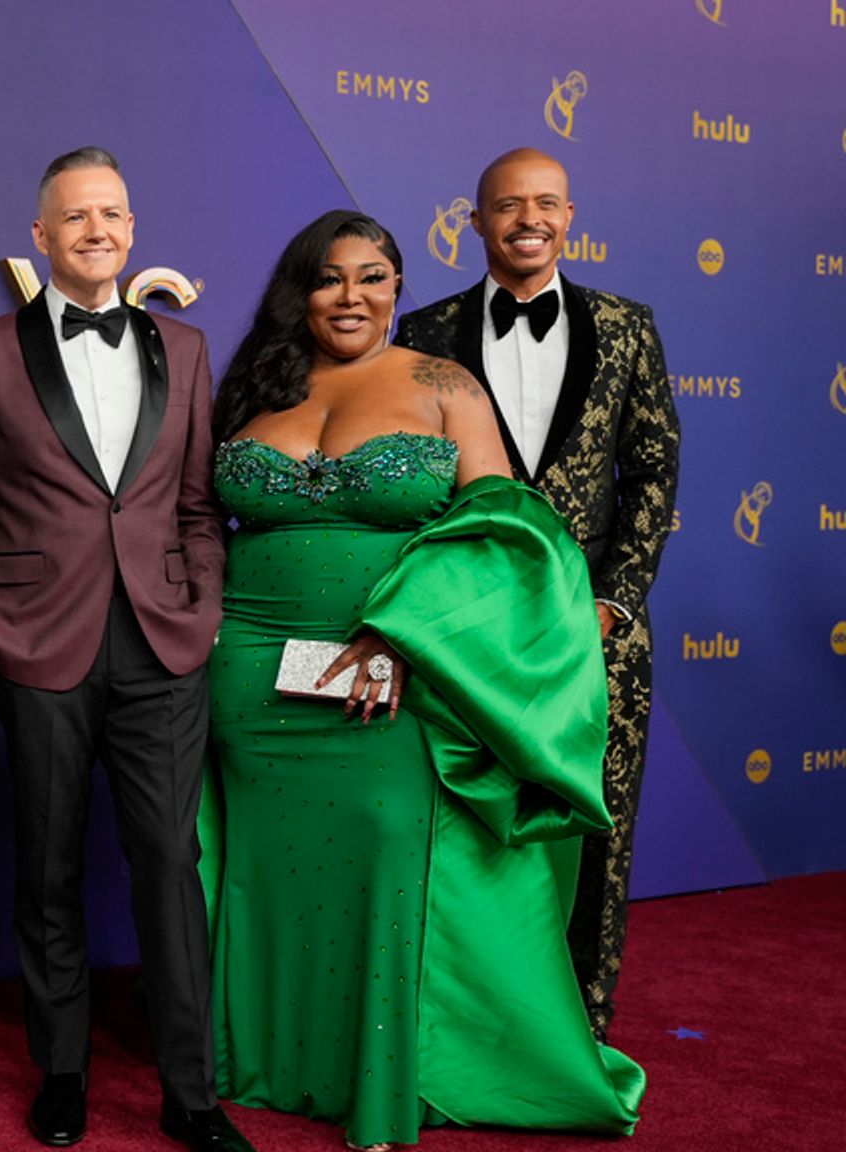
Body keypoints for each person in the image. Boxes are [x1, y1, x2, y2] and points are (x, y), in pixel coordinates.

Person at [205, 210, 645, 1150]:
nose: (353, 296)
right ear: (301, 289)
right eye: (330, 278)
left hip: (383, 676)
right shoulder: (253, 384)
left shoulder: (443, 385)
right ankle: (263, 1063)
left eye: (374, 277)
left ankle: (374, 1072)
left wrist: (406, 636)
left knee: (380, 861)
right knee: (261, 871)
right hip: (246, 671)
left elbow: (507, 530)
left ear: (399, 288)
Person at [0, 147, 249, 1152]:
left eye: (110, 214)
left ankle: (189, 1094)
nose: (94, 231)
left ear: (130, 227)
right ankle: (63, 1071)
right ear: (38, 237)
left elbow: (199, 506)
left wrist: (201, 608)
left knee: (167, 864)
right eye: (73, 217)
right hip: (35, 642)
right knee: (46, 869)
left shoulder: (188, 348)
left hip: (163, 645)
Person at [395, 148, 679, 1042]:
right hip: (468, 634)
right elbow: (413, 486)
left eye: (547, 203)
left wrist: (614, 599)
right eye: (508, 204)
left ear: (570, 216)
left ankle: (583, 1023)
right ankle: (466, 1021)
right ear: (473, 220)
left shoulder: (629, 328)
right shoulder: (422, 331)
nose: (529, 219)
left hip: (595, 631)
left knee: (597, 828)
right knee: (468, 825)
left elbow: (654, 471)